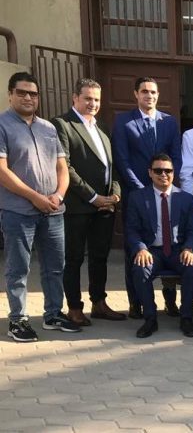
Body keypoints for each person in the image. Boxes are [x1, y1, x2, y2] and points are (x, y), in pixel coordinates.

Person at [1, 72, 80, 342]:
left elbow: (62, 167)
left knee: (55, 267)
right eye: (22, 92)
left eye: (33, 93)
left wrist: (59, 195)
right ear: (10, 95)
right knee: (18, 269)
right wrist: (35, 197)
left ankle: (53, 314)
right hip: (18, 211)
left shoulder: (48, 128)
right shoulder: (2, 125)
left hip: (53, 211)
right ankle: (18, 320)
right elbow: (2, 172)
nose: (28, 97)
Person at [51, 78, 124, 326]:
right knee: (74, 259)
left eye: (97, 99)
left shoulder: (101, 126)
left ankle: (99, 303)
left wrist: (115, 194)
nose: (93, 103)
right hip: (78, 207)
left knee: (100, 257)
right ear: (75, 98)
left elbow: (111, 166)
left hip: (105, 207)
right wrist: (93, 197)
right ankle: (74, 307)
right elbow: (65, 168)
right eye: (88, 98)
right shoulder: (62, 124)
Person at [113, 77, 183, 319]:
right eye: (144, 91)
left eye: (153, 92)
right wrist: (142, 189)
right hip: (137, 195)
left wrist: (166, 183)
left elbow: (176, 156)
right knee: (136, 248)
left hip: (166, 193)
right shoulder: (123, 121)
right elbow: (122, 160)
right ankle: (136, 302)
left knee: (168, 243)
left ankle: (170, 301)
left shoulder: (169, 122)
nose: (149, 96)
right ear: (136, 94)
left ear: (158, 95)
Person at [125, 153, 193, 338]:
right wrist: (141, 248)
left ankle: (186, 318)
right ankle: (150, 319)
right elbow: (132, 230)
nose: (163, 174)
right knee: (140, 269)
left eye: (168, 170)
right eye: (158, 171)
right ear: (150, 173)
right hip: (152, 251)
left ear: (174, 173)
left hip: (177, 250)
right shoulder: (137, 198)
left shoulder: (185, 198)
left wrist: (189, 248)